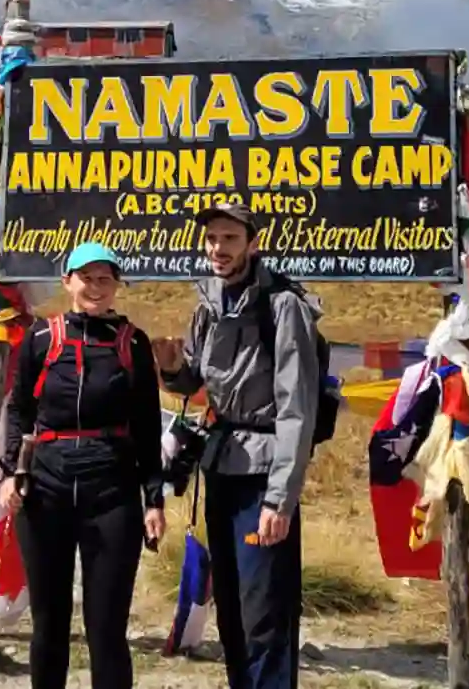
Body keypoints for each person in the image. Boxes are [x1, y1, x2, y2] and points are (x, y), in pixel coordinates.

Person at [154, 203, 321, 689]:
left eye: (228, 238)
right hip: (222, 468)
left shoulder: (283, 306)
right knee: (229, 605)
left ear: (252, 243)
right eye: (211, 239)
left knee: (264, 609)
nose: (217, 249)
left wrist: (280, 499)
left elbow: (297, 410)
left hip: (263, 476)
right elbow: (199, 381)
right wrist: (170, 370)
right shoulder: (208, 303)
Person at [0, 242, 165, 689]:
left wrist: (154, 499)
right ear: (67, 281)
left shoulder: (132, 343)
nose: (95, 286)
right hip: (46, 488)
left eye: (104, 278)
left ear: (116, 286)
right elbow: (20, 412)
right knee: (49, 623)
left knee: (106, 628)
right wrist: (12, 471)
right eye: (86, 277)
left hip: (111, 491)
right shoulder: (40, 339)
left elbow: (148, 425)